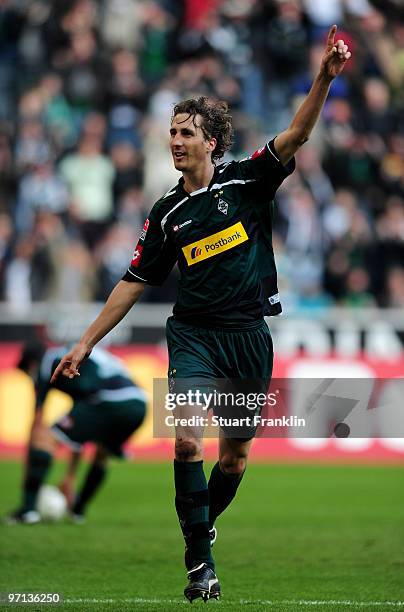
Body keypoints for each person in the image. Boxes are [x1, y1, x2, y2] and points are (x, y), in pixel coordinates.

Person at [50, 26, 351, 602]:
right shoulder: (166, 213)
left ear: (212, 141)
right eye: (171, 132)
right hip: (193, 336)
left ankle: (201, 527)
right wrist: (86, 341)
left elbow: (297, 134)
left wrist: (323, 79)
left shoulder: (248, 180)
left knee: (234, 458)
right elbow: (134, 280)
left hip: (248, 338)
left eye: (186, 132)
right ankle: (200, 563)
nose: (175, 141)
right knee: (187, 442)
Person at [5, 341, 146, 524]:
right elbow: (79, 434)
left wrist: (31, 464)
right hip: (138, 405)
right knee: (102, 453)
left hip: (109, 400)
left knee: (44, 439)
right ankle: (77, 511)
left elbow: (37, 422)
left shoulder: (48, 363)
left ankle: (28, 511)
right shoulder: (72, 360)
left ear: (31, 364)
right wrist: (70, 477)